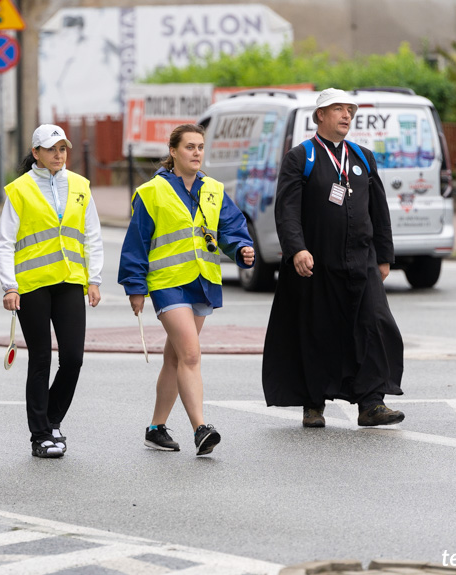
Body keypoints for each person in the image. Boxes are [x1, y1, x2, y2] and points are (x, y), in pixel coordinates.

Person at [262, 88, 405, 428]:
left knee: (373, 326)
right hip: (317, 264)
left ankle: (372, 403)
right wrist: (297, 248)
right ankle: (313, 404)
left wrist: (384, 256)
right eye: (338, 109)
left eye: (349, 111)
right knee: (318, 332)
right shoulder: (302, 157)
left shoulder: (362, 158)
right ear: (320, 116)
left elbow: (378, 210)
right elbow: (287, 209)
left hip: (362, 261)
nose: (346, 116)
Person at [118, 124, 255, 457]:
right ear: (173, 151)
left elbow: (231, 229)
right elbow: (136, 244)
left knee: (175, 357)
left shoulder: (213, 190)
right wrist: (136, 287)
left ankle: (155, 428)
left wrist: (240, 250)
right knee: (191, 355)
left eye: (201, 147)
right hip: (167, 284)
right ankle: (201, 429)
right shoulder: (151, 192)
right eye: (190, 147)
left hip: (201, 281)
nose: (196, 153)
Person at [0, 124, 103, 459]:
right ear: (37, 153)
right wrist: (9, 285)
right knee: (41, 358)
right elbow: (5, 243)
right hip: (32, 286)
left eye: (63, 149)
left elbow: (92, 236)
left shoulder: (80, 186)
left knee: (73, 358)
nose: (59, 155)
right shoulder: (20, 189)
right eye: (52, 149)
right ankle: (40, 434)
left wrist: (94, 279)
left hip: (70, 281)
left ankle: (52, 419)